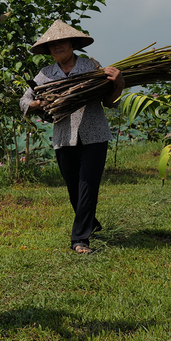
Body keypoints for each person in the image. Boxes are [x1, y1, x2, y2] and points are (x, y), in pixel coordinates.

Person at [19, 21, 125, 254]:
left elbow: (110, 102)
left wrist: (119, 85)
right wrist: (38, 103)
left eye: (62, 42)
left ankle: (80, 239)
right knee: (74, 188)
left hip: (94, 134)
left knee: (88, 183)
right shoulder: (46, 74)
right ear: (48, 49)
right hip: (64, 137)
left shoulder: (91, 67)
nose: (57, 47)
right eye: (52, 44)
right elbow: (24, 100)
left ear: (72, 44)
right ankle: (91, 222)